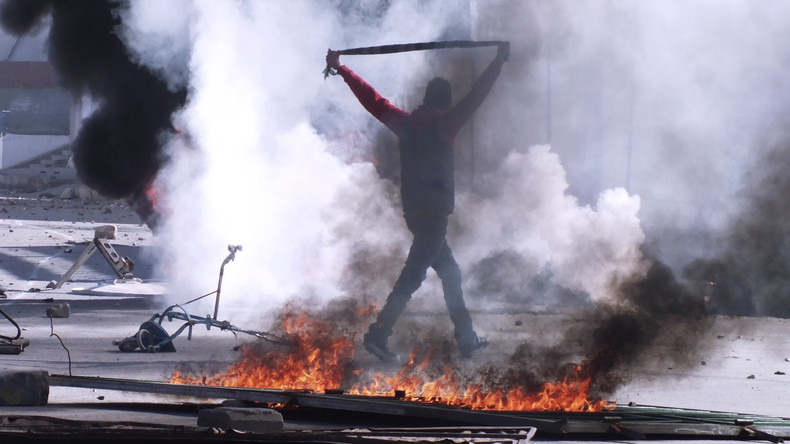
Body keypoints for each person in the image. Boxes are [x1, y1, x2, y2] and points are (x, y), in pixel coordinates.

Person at [326, 43, 509, 361]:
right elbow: (476, 96)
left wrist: (343, 70)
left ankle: (467, 338)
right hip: (434, 215)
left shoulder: (405, 123)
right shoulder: (445, 125)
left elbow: (372, 100)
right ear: (445, 103)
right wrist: (498, 61)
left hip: (413, 211)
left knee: (450, 273)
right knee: (413, 276)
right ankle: (379, 334)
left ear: (426, 100)